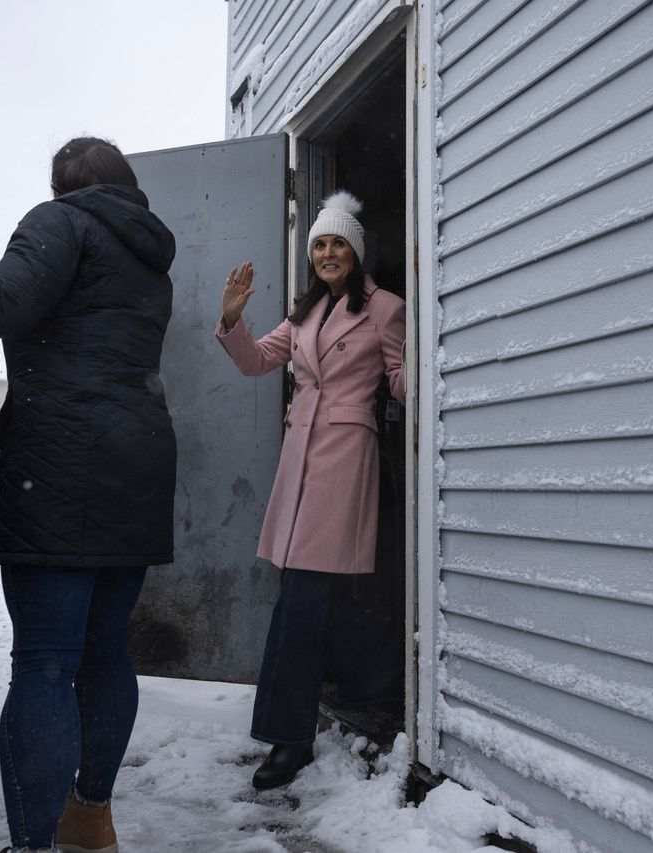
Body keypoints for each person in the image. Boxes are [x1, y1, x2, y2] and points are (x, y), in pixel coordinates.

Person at [0, 136, 177, 853]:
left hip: (60, 461)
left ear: (62, 185)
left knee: (47, 660)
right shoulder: (148, 256)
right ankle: (89, 815)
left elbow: (5, 303)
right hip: (137, 458)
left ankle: (31, 847)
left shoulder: (60, 221)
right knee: (106, 648)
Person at [216, 190, 405, 790]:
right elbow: (253, 363)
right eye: (319, 244)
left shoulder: (385, 309)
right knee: (315, 597)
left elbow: (403, 379)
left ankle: (287, 738)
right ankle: (362, 691)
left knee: (301, 601)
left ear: (355, 250)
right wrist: (230, 320)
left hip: (346, 459)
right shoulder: (304, 313)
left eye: (337, 243)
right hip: (298, 460)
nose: (327, 252)